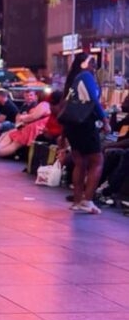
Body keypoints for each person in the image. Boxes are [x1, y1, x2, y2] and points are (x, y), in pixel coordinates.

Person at [63, 53, 107, 214]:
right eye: (92, 62)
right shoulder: (86, 76)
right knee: (97, 160)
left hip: (72, 124)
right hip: (85, 124)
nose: (94, 65)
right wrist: (105, 119)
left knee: (80, 162)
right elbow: (94, 101)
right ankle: (87, 201)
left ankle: (77, 201)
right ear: (84, 64)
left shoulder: (73, 79)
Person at [0, 90, 51, 160]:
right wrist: (21, 120)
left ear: (36, 96)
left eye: (31, 95)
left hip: (32, 127)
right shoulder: (27, 105)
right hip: (25, 126)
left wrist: (22, 118)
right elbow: (19, 116)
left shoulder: (43, 104)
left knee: (13, 139)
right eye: (27, 96)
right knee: (9, 134)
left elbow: (33, 117)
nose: (29, 97)